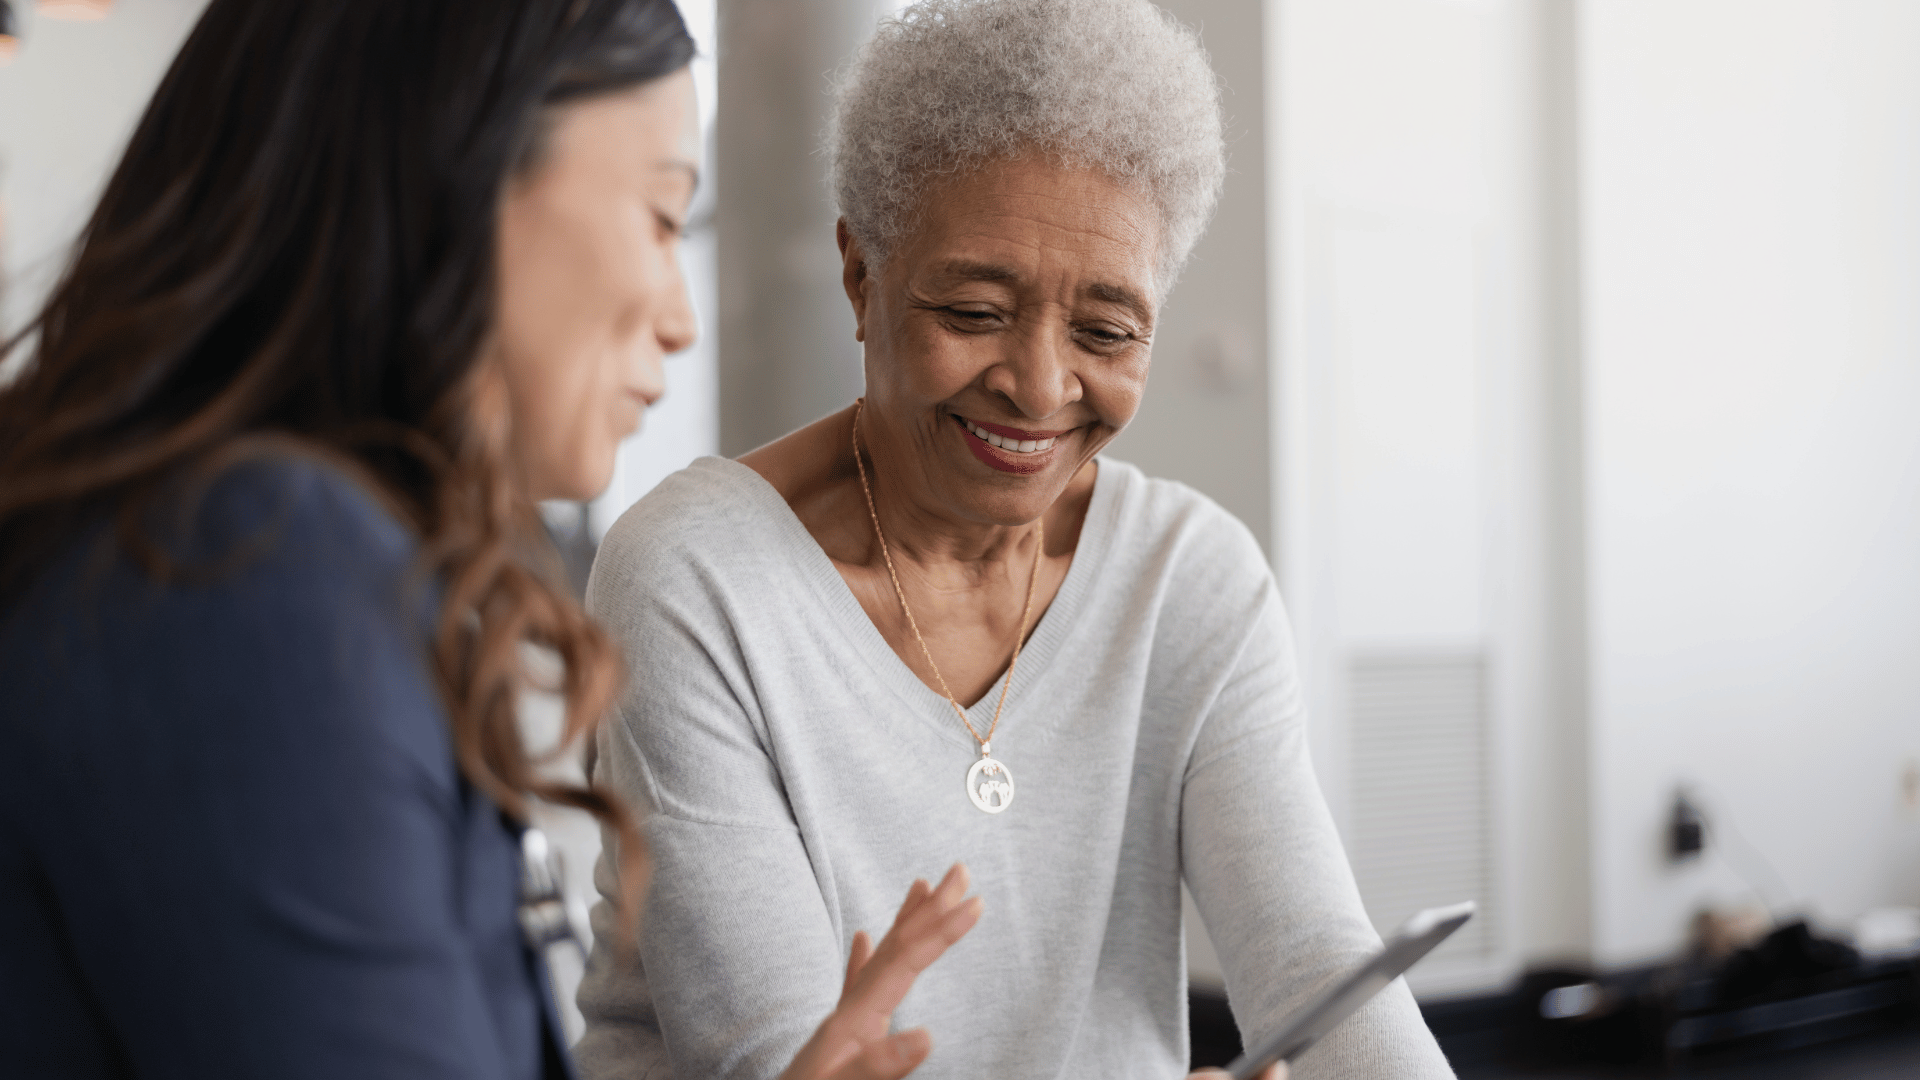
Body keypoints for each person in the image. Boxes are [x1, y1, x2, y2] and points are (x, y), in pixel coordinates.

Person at [0, 2, 979, 1078]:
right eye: (660, 217)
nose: (678, 317)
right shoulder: (251, 577)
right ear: (456, 181)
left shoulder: (245, 552)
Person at [575, 0, 1452, 1078]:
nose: (1040, 387)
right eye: (975, 311)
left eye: (1105, 332)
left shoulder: (1190, 580)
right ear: (863, 274)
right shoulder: (695, 578)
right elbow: (778, 1057)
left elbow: (1317, 960)